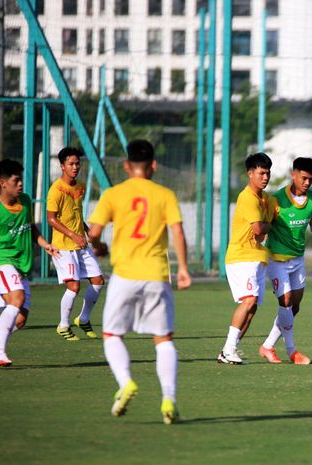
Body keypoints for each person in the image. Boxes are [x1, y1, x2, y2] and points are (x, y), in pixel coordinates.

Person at [88, 140, 191, 424]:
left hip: (124, 275)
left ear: (126, 166)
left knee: (111, 335)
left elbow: (93, 233)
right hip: (157, 275)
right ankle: (168, 399)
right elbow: (178, 232)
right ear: (153, 166)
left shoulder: (113, 194)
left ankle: (126, 382)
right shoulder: (165, 194)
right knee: (163, 340)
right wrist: (183, 268)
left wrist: (99, 247)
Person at [258, 157, 312, 365]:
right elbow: (263, 227)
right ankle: (292, 351)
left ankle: (267, 346)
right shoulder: (276, 200)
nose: (307, 183)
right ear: (293, 174)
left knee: (294, 307)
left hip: (297, 260)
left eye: (311, 179)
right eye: (303, 178)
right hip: (276, 260)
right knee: (285, 301)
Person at [0, 159, 59, 366]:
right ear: (3, 183)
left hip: (19, 264)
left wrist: (44, 244)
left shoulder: (25, 201)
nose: (21, 184)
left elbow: (30, 227)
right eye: (16, 180)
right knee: (16, 298)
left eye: (21, 179)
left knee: (20, 318)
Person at [217, 152, 273, 365]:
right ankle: (229, 348)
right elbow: (260, 229)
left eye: (267, 173)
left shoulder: (265, 198)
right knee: (248, 300)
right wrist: (271, 224)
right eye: (261, 173)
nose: (265, 177)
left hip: (258, 256)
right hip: (241, 256)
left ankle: (228, 351)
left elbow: (262, 231)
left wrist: (267, 226)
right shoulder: (247, 197)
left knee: (253, 307)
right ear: (250, 174)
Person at [47, 147, 105, 341]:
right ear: (62, 165)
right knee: (73, 286)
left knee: (98, 280)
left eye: (77, 163)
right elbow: (51, 219)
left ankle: (84, 318)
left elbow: (77, 215)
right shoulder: (56, 189)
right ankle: (63, 325)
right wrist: (73, 234)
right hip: (63, 246)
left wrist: (88, 233)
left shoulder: (80, 187)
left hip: (80, 243)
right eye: (71, 164)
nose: (75, 167)